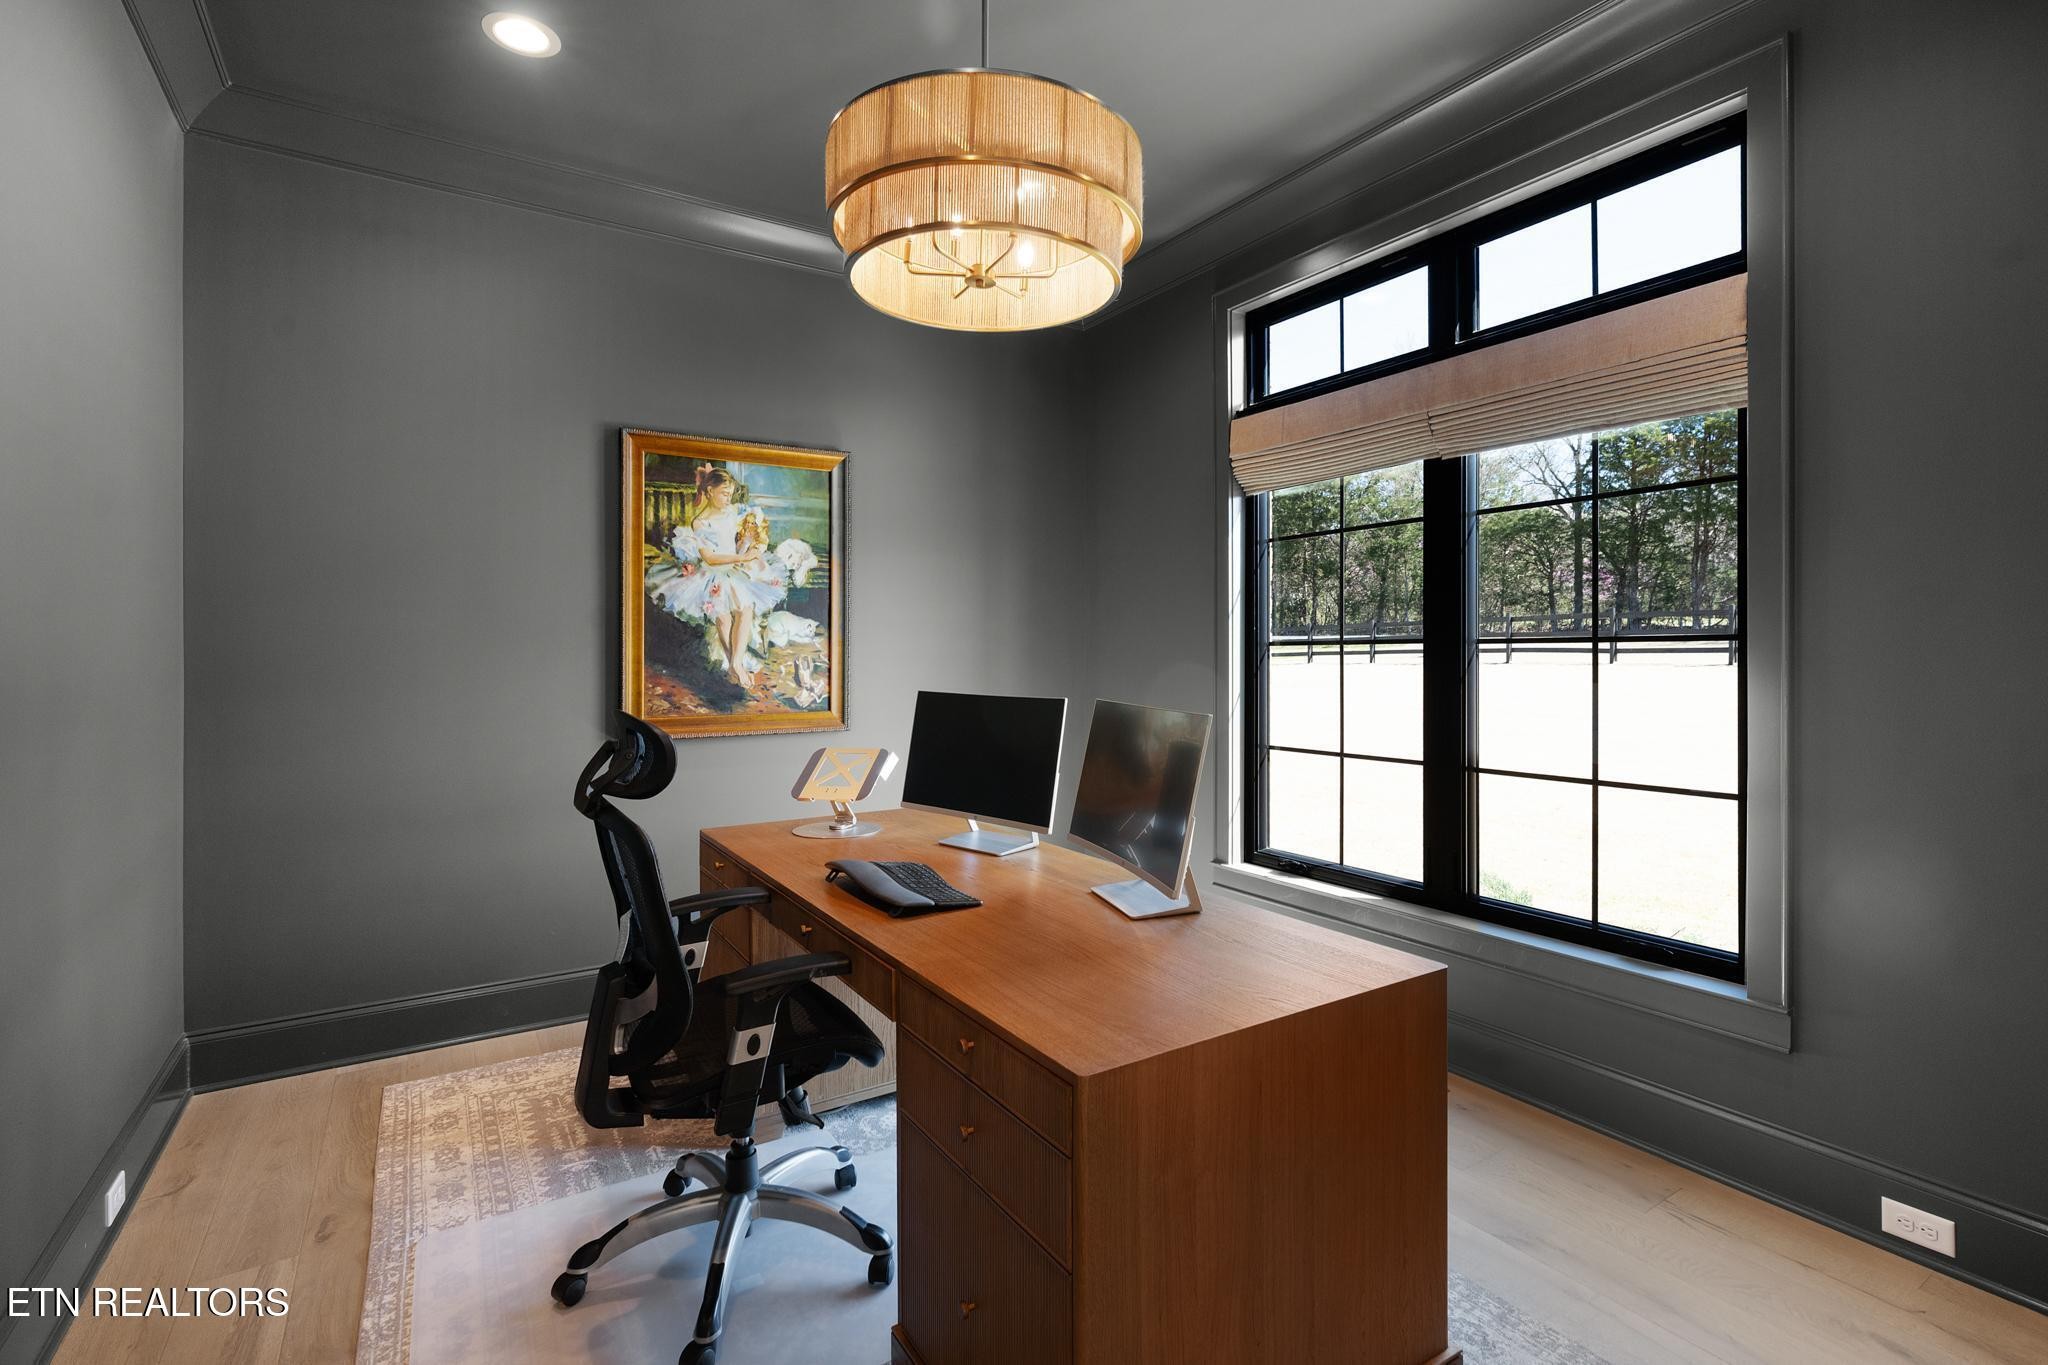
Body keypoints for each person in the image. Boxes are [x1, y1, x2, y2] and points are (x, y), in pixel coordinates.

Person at [651, 465, 789, 687]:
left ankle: (737, 663)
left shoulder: (734, 512)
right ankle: (734, 664)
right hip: (713, 574)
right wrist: (741, 559)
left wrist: (748, 543)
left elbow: (737, 541)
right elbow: (710, 558)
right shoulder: (701, 522)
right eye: (724, 493)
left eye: (730, 493)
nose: (728, 498)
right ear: (709, 492)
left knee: (746, 609)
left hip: (734, 569)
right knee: (723, 618)